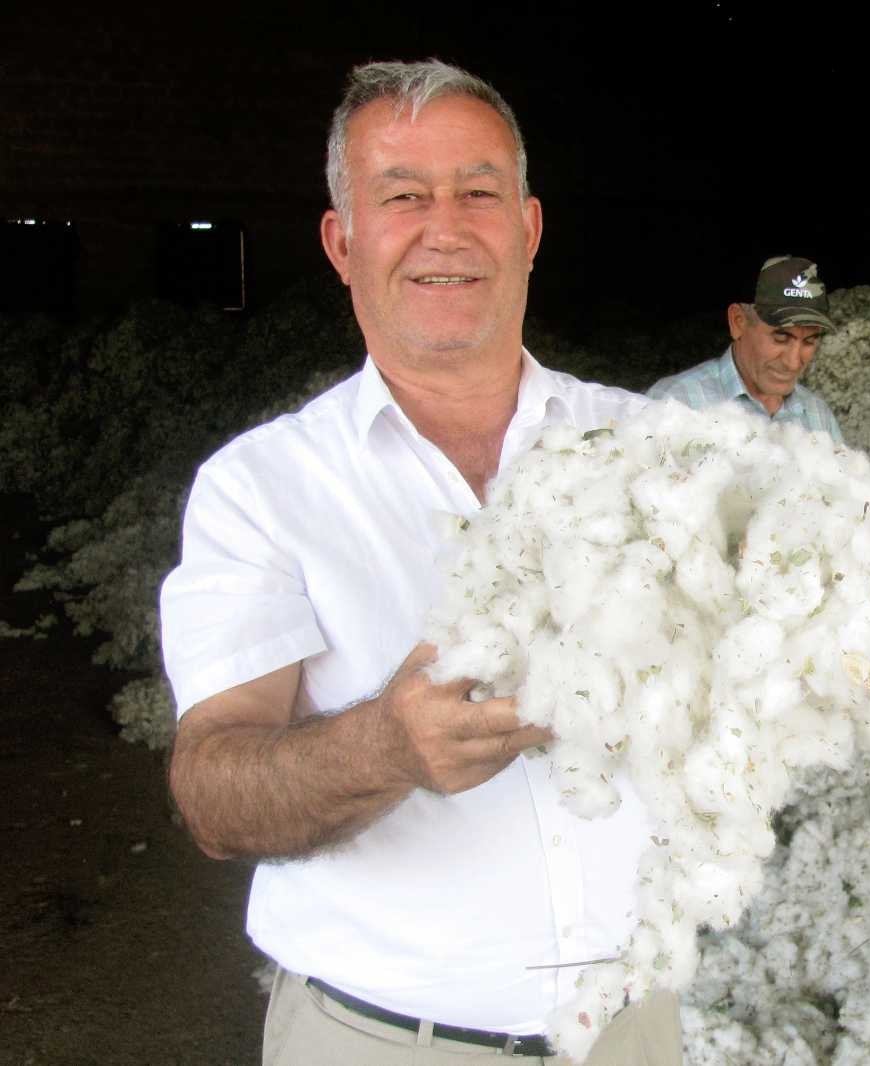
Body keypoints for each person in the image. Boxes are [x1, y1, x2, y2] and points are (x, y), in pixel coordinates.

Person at [160, 60, 681, 1065]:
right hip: (387, 1042)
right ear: (341, 240)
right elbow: (211, 792)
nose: (446, 227)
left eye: (478, 192)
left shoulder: (653, 449)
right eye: (401, 196)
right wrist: (387, 749)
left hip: (639, 1031)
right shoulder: (260, 488)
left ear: (527, 228)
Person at [647, 255, 844, 442]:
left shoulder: (818, 416)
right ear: (738, 322)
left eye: (809, 341)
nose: (793, 363)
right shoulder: (676, 403)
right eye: (781, 338)